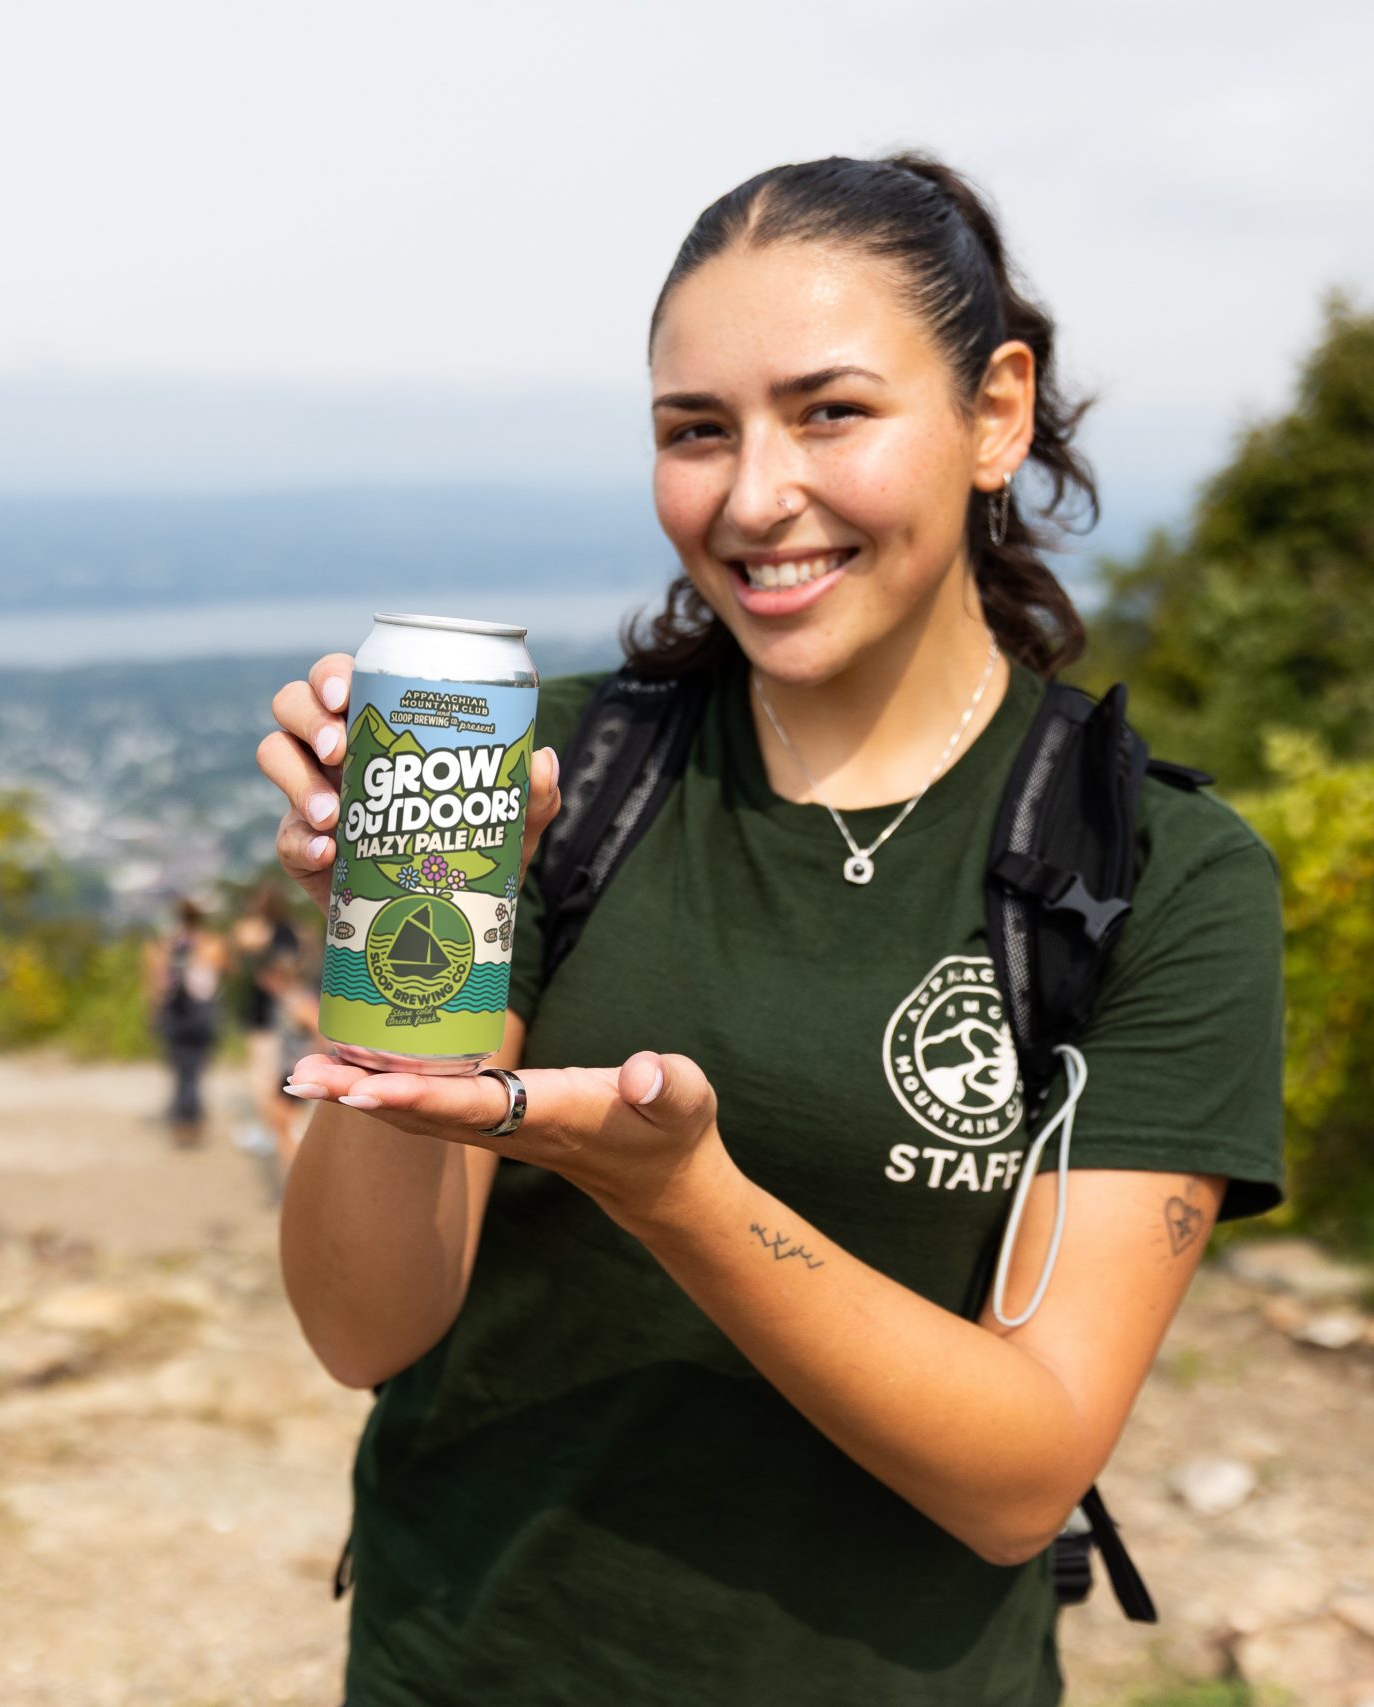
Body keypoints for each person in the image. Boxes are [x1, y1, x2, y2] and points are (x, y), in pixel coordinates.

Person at [253, 154, 1286, 1705]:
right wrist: (388, 970)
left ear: (995, 411)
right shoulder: (559, 779)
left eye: (831, 411)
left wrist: (681, 1195)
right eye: (695, 431)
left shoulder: (1150, 866)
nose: (751, 497)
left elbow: (1023, 1468)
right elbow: (362, 1323)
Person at [232, 886, 321, 1177]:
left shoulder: (294, 999)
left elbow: (319, 1033)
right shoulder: (292, 936)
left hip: (289, 1056)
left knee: (282, 1119)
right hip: (289, 1051)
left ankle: (295, 1179)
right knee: (283, 1120)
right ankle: (293, 1175)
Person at [142, 897, 226, 1147]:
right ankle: (191, 1120)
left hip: (175, 1012)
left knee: (181, 1069)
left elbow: (153, 978)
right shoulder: (211, 943)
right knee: (194, 1070)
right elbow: (221, 969)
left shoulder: (164, 946)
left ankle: (183, 1119)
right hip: (202, 1013)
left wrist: (153, 1010)